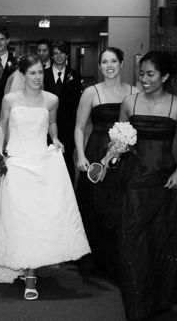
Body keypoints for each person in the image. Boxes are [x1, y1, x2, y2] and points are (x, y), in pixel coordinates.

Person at [0, 54, 90, 300]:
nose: (38, 77)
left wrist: (55, 139)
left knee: (38, 218)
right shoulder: (10, 99)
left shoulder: (52, 99)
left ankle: (31, 271)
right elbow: (2, 126)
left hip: (41, 163)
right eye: (33, 73)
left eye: (40, 72)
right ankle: (24, 268)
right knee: (19, 218)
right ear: (23, 75)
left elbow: (52, 124)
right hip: (16, 162)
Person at [116, 51, 177, 320]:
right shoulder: (129, 103)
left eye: (150, 74)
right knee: (133, 242)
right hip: (135, 179)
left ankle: (160, 297)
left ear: (165, 76)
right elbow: (121, 141)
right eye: (141, 74)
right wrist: (114, 151)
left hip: (165, 181)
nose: (144, 79)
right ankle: (137, 303)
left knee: (163, 242)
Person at [73, 47, 137, 276]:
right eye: (104, 62)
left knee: (119, 203)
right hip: (97, 151)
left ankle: (118, 257)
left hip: (125, 154)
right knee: (94, 203)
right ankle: (94, 256)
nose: (109, 66)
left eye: (113, 61)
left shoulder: (135, 92)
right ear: (99, 66)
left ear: (122, 63)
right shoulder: (91, 92)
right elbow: (79, 127)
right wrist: (81, 155)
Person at [43, 41, 83, 183]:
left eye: (61, 53)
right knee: (47, 159)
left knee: (67, 159)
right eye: (55, 53)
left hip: (68, 126)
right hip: (46, 125)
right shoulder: (43, 74)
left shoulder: (75, 75)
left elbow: (78, 103)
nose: (58, 56)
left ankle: (68, 189)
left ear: (67, 55)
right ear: (52, 56)